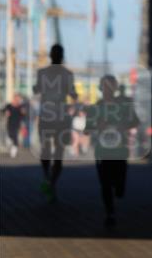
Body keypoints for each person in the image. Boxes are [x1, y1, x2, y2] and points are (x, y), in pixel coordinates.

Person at [86, 75, 140, 227]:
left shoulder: (124, 106)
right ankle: (110, 213)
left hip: (120, 150)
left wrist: (124, 126)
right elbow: (87, 129)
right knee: (105, 184)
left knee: (119, 186)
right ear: (101, 88)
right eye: (105, 86)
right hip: (102, 151)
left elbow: (135, 121)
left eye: (111, 86)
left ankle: (119, 189)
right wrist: (97, 126)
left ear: (115, 88)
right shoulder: (96, 107)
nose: (108, 90)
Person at [34, 44, 78, 202]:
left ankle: (48, 179)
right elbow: (73, 94)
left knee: (47, 150)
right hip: (59, 117)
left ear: (50, 55)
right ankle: (51, 183)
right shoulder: (68, 74)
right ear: (62, 56)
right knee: (58, 154)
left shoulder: (42, 73)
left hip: (48, 117)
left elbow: (36, 90)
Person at [3, 93, 26, 158]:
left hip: (17, 124)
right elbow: (4, 111)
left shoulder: (21, 106)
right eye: (16, 98)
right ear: (14, 98)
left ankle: (14, 150)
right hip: (9, 123)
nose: (17, 100)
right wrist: (6, 112)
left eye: (18, 99)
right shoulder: (9, 105)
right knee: (10, 135)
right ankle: (11, 143)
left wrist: (23, 112)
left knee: (15, 136)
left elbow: (24, 115)